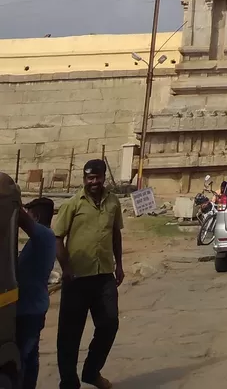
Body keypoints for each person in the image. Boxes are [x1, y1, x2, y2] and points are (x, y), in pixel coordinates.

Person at [55, 158, 124, 389]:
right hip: (77, 278)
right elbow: (57, 237)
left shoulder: (113, 202)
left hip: (104, 274)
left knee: (109, 324)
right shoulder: (73, 204)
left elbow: (116, 234)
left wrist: (120, 265)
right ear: (84, 179)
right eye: (89, 178)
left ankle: (91, 372)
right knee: (69, 335)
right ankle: (68, 382)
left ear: (104, 177)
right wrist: (66, 269)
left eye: (97, 177)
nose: (93, 182)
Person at [17, 197, 57, 389]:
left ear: (37, 216)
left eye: (31, 214)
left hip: (30, 310)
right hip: (30, 307)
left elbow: (19, 217)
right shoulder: (40, 239)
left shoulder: (44, 236)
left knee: (24, 357)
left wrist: (10, 198)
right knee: (29, 356)